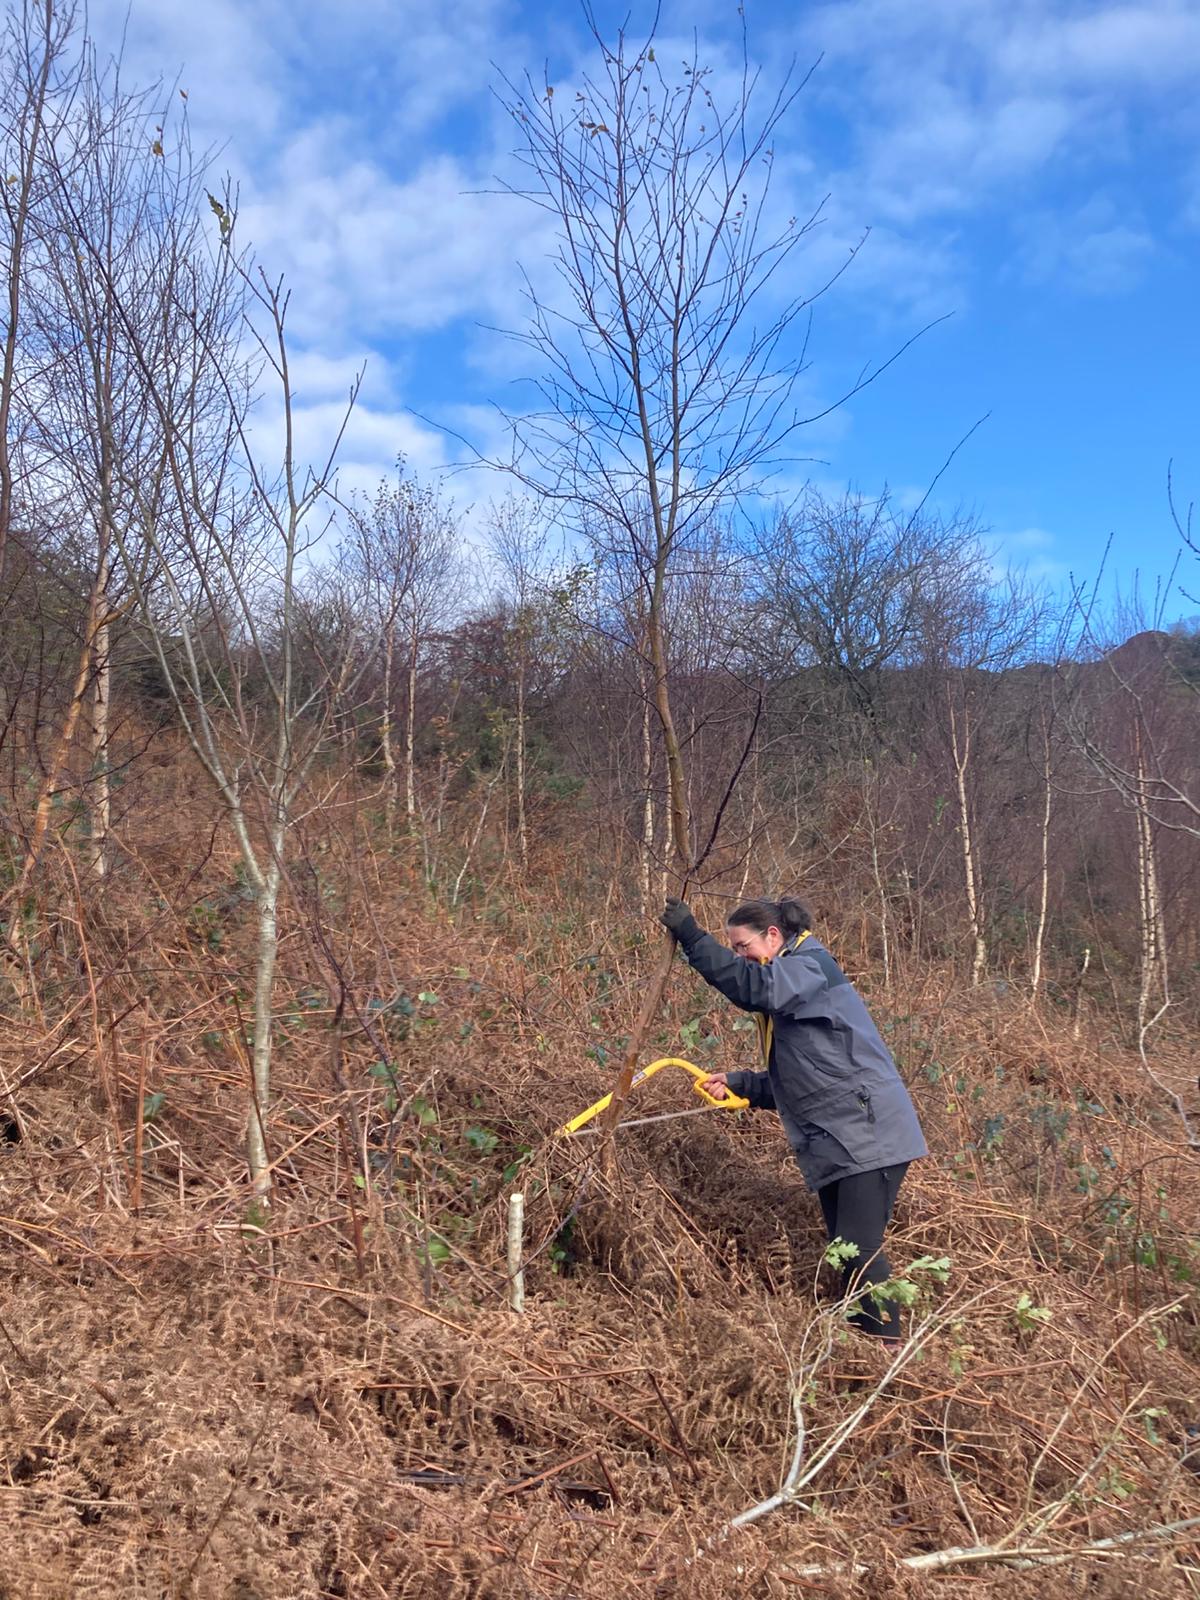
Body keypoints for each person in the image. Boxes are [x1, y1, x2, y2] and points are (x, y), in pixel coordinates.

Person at [660, 894, 927, 1343]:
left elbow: (752, 988)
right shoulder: (794, 983)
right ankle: (861, 1341)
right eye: (734, 949)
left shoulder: (807, 967)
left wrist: (692, 937)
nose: (740, 956)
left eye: (743, 946)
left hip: (869, 1132)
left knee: (858, 1249)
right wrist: (741, 1084)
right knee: (844, 1250)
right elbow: (805, 1077)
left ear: (773, 936)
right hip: (843, 1134)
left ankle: (886, 1348)